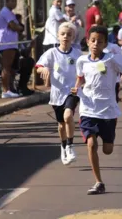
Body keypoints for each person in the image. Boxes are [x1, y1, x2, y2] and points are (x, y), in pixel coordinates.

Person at [73, 25, 122, 195]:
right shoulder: (81, 61)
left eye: (99, 41)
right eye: (92, 41)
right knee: (91, 144)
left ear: (105, 43)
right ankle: (99, 182)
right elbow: (80, 79)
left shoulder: (113, 59)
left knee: (107, 149)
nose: (95, 44)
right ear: (87, 41)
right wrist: (76, 88)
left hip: (108, 110)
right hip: (88, 109)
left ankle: (109, 139)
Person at [36, 22, 81, 165]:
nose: (65, 37)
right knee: (61, 124)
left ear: (73, 37)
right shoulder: (51, 53)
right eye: (63, 34)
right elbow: (39, 66)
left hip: (72, 91)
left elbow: (85, 71)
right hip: (57, 94)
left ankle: (70, 145)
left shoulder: (77, 54)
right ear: (58, 36)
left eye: (69, 34)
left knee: (68, 116)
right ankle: (63, 146)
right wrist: (43, 70)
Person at [0, 0, 23, 98]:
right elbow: (14, 26)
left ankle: (9, 88)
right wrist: (19, 28)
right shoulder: (6, 12)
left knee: (10, 68)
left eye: (15, 1)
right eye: (12, 0)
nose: (14, 3)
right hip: (6, 43)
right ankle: (5, 90)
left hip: (11, 43)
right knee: (6, 67)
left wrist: (18, 27)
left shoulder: (10, 13)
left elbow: (17, 26)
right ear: (7, 1)